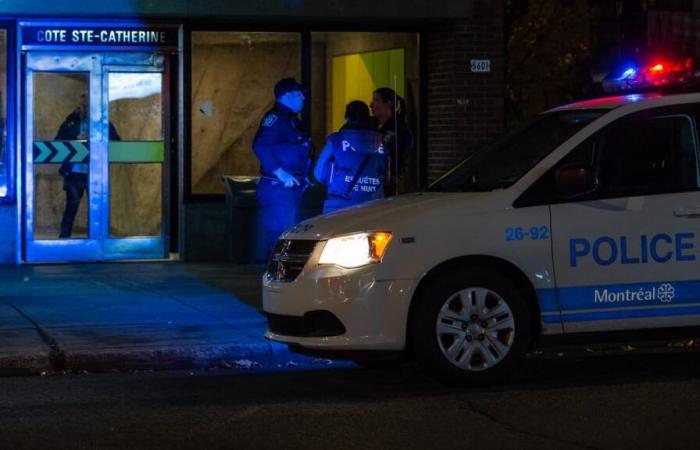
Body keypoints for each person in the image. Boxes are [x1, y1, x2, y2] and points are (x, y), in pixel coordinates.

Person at [253, 77, 313, 256]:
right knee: (281, 238)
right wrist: (280, 173)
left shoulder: (291, 120)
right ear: (286, 96)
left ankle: (282, 279)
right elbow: (259, 146)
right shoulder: (276, 118)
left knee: (288, 239)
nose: (303, 98)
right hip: (278, 189)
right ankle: (276, 280)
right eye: (298, 94)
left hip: (291, 189)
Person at [56, 93, 120, 238]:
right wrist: (75, 140)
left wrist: (96, 140)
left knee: (97, 209)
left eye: (88, 106)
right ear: (79, 106)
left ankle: (98, 239)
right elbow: (57, 142)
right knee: (71, 207)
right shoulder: (69, 123)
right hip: (74, 173)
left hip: (96, 173)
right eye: (83, 106)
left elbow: (116, 144)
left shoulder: (104, 124)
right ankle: (64, 239)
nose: (85, 109)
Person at [314, 101, 386, 213]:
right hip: (373, 206)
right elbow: (387, 174)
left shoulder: (336, 140)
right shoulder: (382, 143)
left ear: (347, 118)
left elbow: (318, 173)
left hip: (340, 206)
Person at [370, 87, 415, 197]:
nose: (371, 105)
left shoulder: (400, 130)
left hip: (386, 188)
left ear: (388, 104)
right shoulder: (370, 126)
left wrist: (392, 179)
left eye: (376, 100)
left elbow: (403, 160)